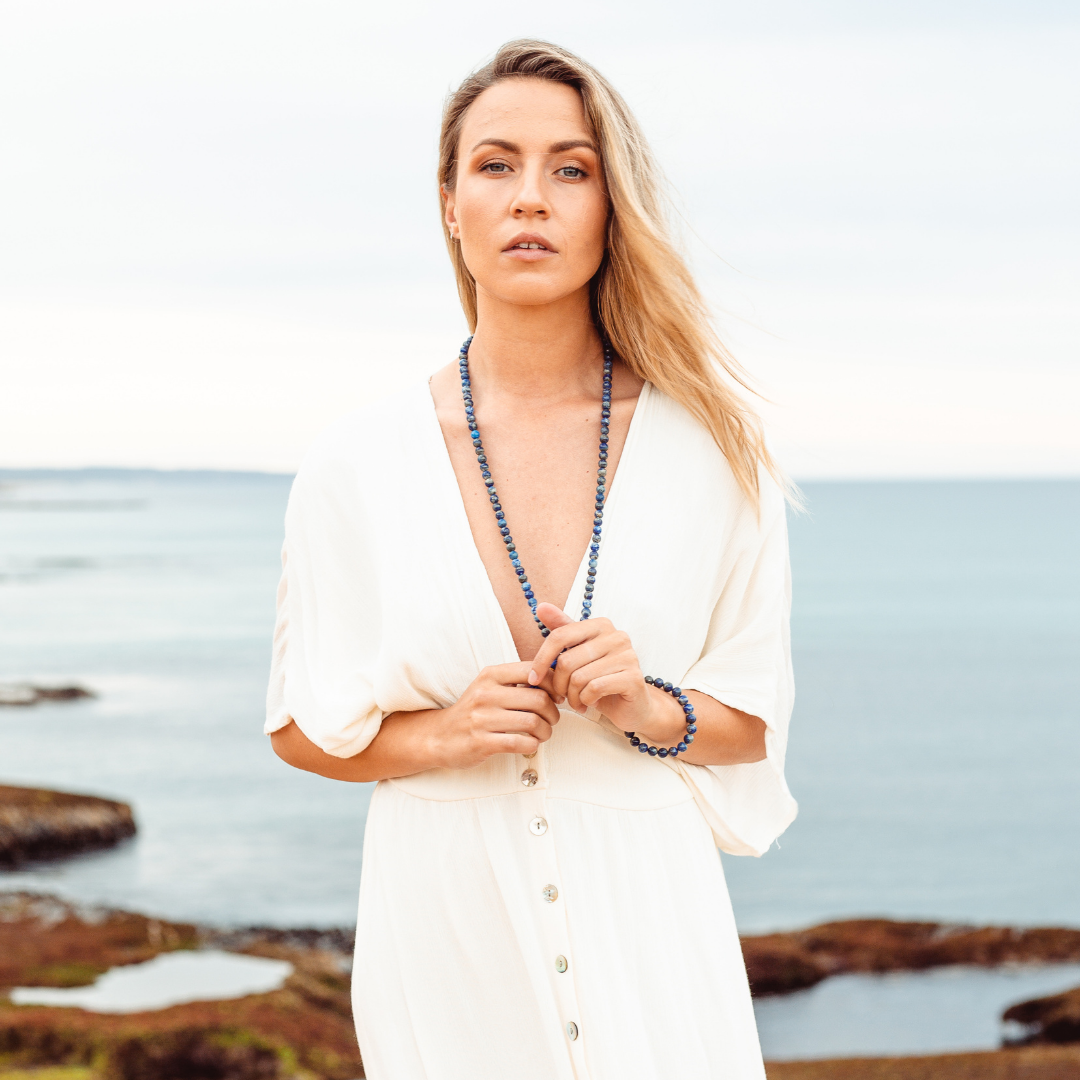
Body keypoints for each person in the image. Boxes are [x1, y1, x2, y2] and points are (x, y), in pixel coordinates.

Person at [267, 38, 797, 1080]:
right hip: (442, 932)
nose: (530, 200)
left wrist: (650, 707)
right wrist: (443, 735)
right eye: (496, 165)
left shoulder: (717, 455)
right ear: (450, 204)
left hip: (653, 928)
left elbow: (750, 727)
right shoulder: (354, 464)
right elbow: (296, 725)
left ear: (611, 206)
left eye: (571, 169)